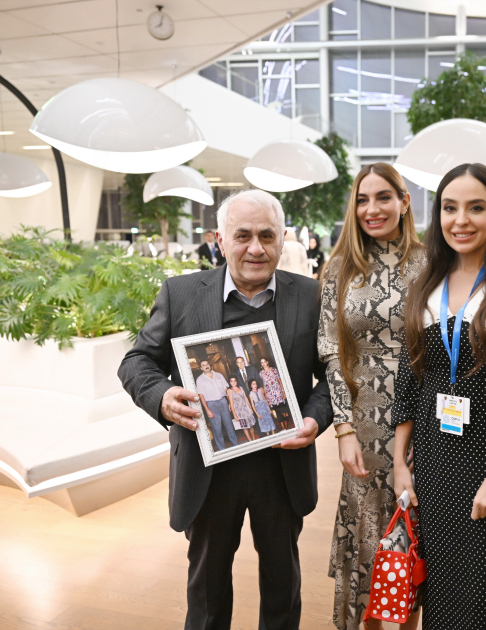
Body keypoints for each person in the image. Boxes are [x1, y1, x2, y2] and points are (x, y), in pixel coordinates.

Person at [118, 189, 334, 630]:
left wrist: (315, 417)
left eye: (267, 236)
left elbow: (334, 372)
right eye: (243, 235)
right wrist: (162, 396)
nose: (256, 248)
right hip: (207, 470)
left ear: (282, 239)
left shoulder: (311, 295)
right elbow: (136, 361)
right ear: (220, 240)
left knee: (283, 587)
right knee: (207, 593)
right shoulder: (181, 293)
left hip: (282, 468)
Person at [392, 163, 486, 630]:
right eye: (449, 208)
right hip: (434, 455)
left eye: (475, 208)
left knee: (485, 589)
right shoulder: (426, 282)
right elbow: (410, 376)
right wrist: (400, 462)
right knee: (439, 586)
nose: (460, 220)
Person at [318, 162, 425, 630]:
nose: (372, 208)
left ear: (404, 202)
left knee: (412, 532)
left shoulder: (431, 263)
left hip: (420, 417)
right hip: (361, 421)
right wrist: (343, 429)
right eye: (362, 199)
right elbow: (330, 351)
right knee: (365, 536)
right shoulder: (339, 268)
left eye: (383, 197)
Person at [195, 360, 236, 451]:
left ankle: (235, 445)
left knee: (229, 424)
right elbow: (201, 396)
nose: (206, 366)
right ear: (201, 368)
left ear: (210, 365)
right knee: (217, 428)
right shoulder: (200, 379)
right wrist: (207, 410)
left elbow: (226, 390)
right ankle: (222, 449)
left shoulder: (219, 375)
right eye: (203, 365)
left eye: (207, 364)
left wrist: (229, 402)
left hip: (223, 402)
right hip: (211, 404)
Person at [259, 357, 291, 431]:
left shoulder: (273, 370)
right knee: (277, 411)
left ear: (267, 362)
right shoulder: (261, 373)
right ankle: (283, 427)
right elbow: (263, 385)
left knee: (283, 410)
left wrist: (283, 392)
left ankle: (286, 426)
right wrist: (265, 396)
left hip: (278, 393)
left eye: (264, 362)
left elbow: (279, 381)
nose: (263, 364)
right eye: (262, 362)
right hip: (270, 396)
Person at [227, 376, 258, 443]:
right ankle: (250, 441)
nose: (233, 382)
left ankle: (254, 439)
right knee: (244, 427)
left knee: (251, 425)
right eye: (231, 381)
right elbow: (231, 403)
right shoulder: (229, 391)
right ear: (229, 382)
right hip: (239, 411)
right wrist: (234, 415)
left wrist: (250, 408)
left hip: (246, 409)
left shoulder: (241, 388)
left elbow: (246, 398)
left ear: (236, 381)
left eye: (235, 380)